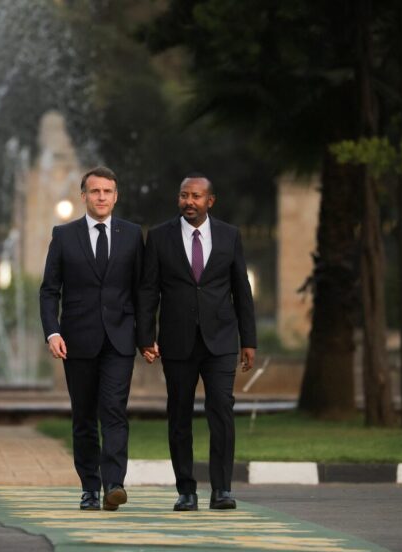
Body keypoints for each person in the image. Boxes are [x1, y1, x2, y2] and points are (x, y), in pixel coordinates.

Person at [137, 174, 256, 511]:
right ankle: (186, 490)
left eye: (196, 197)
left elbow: (241, 289)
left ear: (210, 201)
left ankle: (222, 489)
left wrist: (249, 339)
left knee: (222, 411)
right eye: (184, 196)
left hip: (221, 341)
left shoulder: (229, 236)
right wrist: (145, 336)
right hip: (177, 342)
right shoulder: (159, 237)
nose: (189, 202)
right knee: (179, 415)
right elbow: (148, 290)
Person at [39, 166, 144, 511]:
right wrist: (52, 331)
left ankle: (114, 483)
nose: (101, 197)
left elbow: (142, 291)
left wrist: (146, 337)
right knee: (84, 416)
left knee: (113, 410)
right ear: (83, 196)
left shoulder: (131, 235)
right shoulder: (64, 235)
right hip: (77, 341)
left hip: (119, 340)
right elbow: (49, 290)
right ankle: (90, 487)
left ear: (116, 196)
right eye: (95, 191)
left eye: (108, 191)